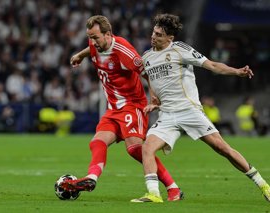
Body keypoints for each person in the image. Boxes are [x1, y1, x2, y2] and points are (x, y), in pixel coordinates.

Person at [131, 14, 270, 203]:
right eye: (154, 32)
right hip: (167, 114)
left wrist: (236, 71)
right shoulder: (147, 57)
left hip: (189, 111)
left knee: (222, 148)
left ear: (170, 38)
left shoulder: (180, 50)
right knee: (147, 148)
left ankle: (263, 184)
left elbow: (212, 65)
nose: (154, 37)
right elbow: (151, 78)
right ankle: (154, 194)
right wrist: (154, 99)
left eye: (159, 35)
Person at [60, 15, 183, 201]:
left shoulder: (123, 50)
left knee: (135, 149)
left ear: (108, 34)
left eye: (95, 37)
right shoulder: (96, 44)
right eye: (89, 37)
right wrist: (80, 55)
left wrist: (153, 98)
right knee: (97, 142)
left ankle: (173, 188)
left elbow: (147, 73)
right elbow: (91, 48)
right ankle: (91, 178)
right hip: (113, 108)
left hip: (133, 106)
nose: (92, 42)